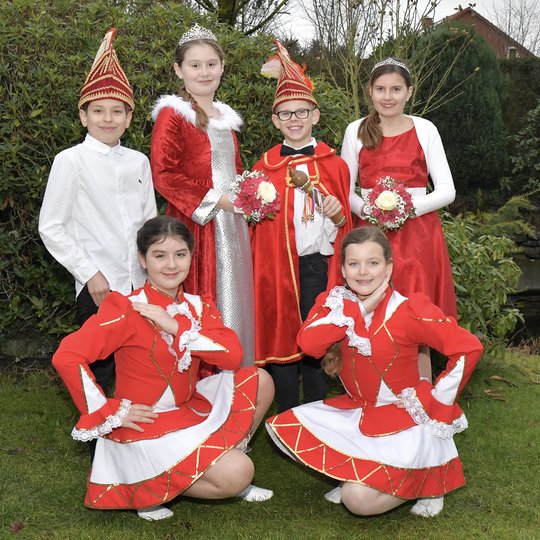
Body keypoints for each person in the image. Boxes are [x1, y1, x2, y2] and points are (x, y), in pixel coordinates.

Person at [52, 216, 275, 521]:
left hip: (188, 410)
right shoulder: (125, 308)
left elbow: (233, 356)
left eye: (180, 254)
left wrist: (175, 326)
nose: (171, 264)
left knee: (260, 380)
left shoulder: (197, 306)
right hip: (145, 424)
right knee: (239, 474)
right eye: (160, 255)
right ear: (142, 260)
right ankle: (149, 488)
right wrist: (109, 411)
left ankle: (215, 458)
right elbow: (67, 356)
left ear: (191, 258)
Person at [266, 227, 483, 517]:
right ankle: (364, 475)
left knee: (357, 500)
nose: (363, 272)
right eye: (354, 263)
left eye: (373, 262)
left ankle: (426, 483)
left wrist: (430, 398)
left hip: (404, 420)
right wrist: (360, 308)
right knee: (284, 427)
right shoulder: (334, 306)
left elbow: (469, 347)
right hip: (358, 410)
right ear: (342, 269)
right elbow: (309, 344)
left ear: (389, 267)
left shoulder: (409, 309)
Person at [39, 28, 157, 393]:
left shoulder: (138, 161)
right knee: (100, 371)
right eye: (98, 110)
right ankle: (100, 446)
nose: (108, 118)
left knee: (142, 366)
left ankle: (138, 444)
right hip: (98, 286)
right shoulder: (70, 161)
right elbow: (52, 227)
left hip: (140, 285)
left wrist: (153, 273)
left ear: (129, 117)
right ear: (83, 116)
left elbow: (150, 223)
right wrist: (90, 274)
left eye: (117, 111)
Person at [341, 57, 457, 381]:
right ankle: (374, 390)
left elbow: (447, 190)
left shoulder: (425, 129)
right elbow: (344, 190)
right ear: (370, 91)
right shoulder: (356, 132)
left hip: (418, 237)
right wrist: (371, 211)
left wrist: (404, 209)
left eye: (395, 89)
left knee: (415, 313)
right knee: (372, 311)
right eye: (380, 89)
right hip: (370, 237)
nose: (387, 96)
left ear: (409, 92)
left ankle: (420, 395)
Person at [251, 40, 352, 413]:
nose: (294, 120)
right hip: (277, 267)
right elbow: (257, 225)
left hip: (317, 266)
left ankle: (314, 416)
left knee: (315, 340)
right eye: (286, 114)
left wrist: (336, 212)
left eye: (301, 112)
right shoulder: (263, 169)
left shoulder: (335, 165)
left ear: (316, 115)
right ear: (275, 120)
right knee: (281, 341)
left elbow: (346, 227)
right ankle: (284, 418)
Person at [150, 24, 254, 367]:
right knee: (204, 293)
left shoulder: (224, 116)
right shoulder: (173, 114)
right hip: (197, 225)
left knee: (233, 295)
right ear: (179, 70)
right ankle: (204, 378)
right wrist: (214, 201)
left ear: (222, 67)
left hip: (232, 223)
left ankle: (235, 371)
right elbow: (164, 175)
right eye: (195, 65)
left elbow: (234, 168)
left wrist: (250, 195)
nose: (204, 72)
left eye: (211, 64)